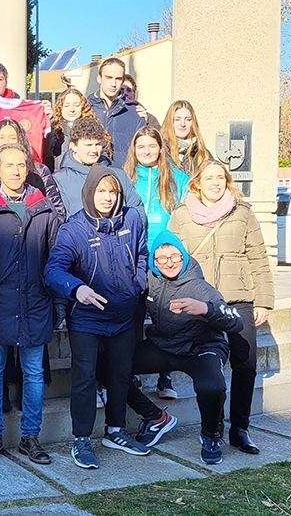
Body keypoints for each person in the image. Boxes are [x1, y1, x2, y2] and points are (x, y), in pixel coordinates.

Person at [45, 164, 150, 470]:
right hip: (87, 319)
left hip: (124, 314)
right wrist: (76, 289)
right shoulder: (74, 229)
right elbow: (53, 270)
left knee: (120, 374)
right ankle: (81, 439)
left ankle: (116, 430)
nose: (107, 197)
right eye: (101, 191)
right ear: (90, 193)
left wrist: (139, 281)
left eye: (112, 191)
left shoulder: (132, 218)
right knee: (85, 378)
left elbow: (141, 253)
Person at [168, 160, 274, 456]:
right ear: (197, 183)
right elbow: (171, 258)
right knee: (210, 368)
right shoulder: (181, 216)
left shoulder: (243, 214)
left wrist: (264, 300)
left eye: (220, 178)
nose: (215, 183)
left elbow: (259, 257)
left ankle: (240, 428)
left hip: (237, 297)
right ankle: (211, 429)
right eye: (209, 178)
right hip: (201, 301)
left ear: (227, 181)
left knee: (246, 363)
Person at [0, 144, 62, 466]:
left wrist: (58, 303)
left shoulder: (44, 209)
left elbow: (56, 259)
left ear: (28, 170)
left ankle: (30, 437)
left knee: (34, 373)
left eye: (21, 166)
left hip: (35, 304)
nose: (15, 171)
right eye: (8, 165)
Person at [126, 231, 243, 465]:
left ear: (184, 257)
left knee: (212, 386)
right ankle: (156, 417)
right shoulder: (150, 281)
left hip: (201, 348)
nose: (169, 263)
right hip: (164, 345)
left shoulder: (199, 286)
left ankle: (211, 434)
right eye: (162, 258)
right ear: (154, 262)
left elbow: (236, 321)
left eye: (175, 257)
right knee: (111, 367)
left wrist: (205, 309)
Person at [123, 125, 189, 400]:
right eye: (141, 147)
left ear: (161, 148)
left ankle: (166, 376)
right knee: (134, 318)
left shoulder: (177, 178)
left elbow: (185, 215)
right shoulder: (126, 177)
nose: (146, 151)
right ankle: (133, 371)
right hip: (134, 258)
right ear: (134, 150)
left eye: (151, 146)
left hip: (165, 258)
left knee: (166, 318)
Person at [51, 118, 140, 217]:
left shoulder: (118, 174)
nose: (94, 150)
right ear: (73, 146)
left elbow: (136, 208)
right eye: (88, 145)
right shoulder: (59, 180)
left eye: (97, 144)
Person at [87, 58, 145, 167]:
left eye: (118, 79)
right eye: (108, 77)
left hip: (124, 177)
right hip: (90, 177)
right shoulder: (85, 108)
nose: (113, 84)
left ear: (122, 81)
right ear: (99, 78)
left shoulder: (135, 113)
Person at [162, 100, 214, 176]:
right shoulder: (160, 151)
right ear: (170, 122)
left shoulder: (203, 154)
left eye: (188, 119)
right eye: (177, 119)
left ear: (193, 123)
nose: (182, 124)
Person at [47, 87, 90, 170]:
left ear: (83, 107)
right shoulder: (53, 130)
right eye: (66, 105)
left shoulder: (91, 129)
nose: (71, 109)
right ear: (60, 107)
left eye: (76, 105)